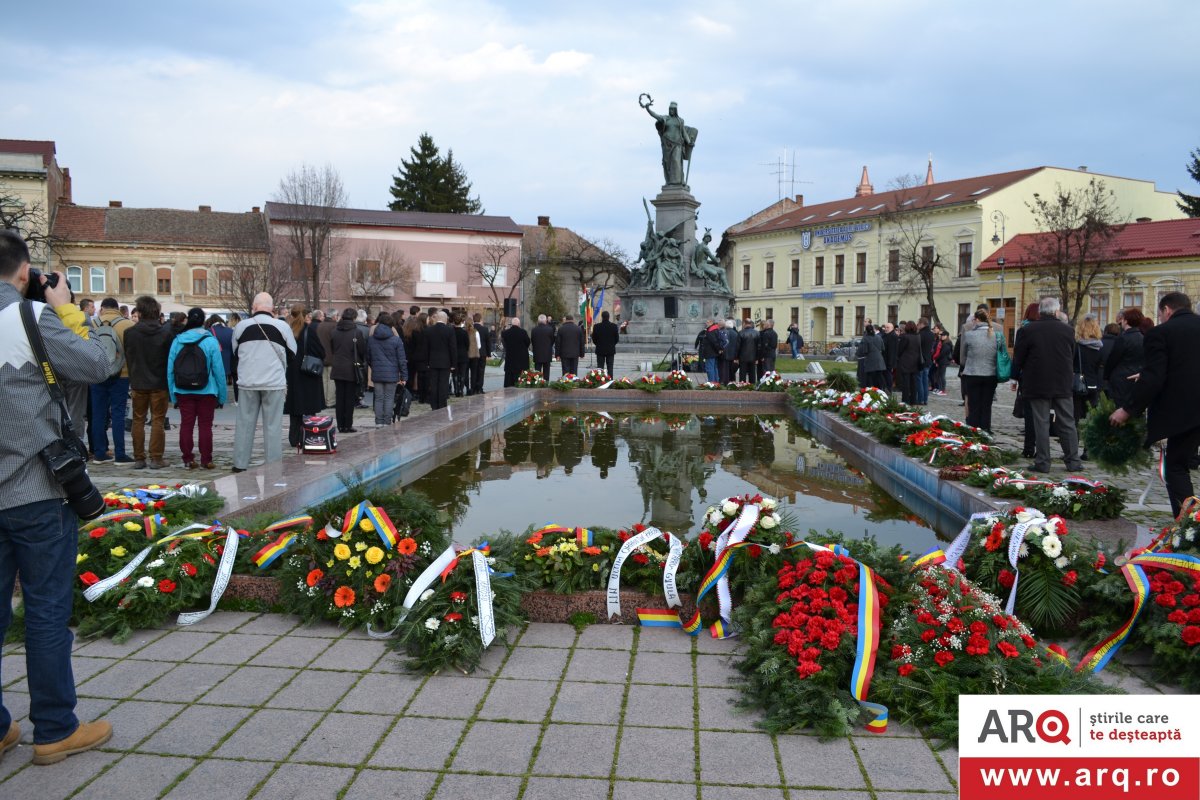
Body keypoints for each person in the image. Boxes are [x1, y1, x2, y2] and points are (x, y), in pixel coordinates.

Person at [0, 231, 115, 765]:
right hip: (36, 490)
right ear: (24, 273)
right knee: (46, 609)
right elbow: (96, 364)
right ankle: (53, 728)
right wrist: (72, 311)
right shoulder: (28, 318)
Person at [1110, 292, 1200, 516]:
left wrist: (1127, 409)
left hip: (1184, 412)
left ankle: (1186, 527)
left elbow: (1155, 377)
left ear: (1167, 310)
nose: (1160, 318)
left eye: (1160, 313)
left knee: (1176, 467)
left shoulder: (1161, 333)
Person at [1012, 296, 1082, 473]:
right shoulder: (1067, 330)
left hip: (1037, 382)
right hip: (1062, 382)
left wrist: (1015, 378)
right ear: (1057, 311)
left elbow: (1019, 357)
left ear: (1040, 311)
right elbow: (1072, 354)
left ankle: (1043, 462)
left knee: (1041, 422)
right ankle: (1073, 460)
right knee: (1067, 422)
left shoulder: (1029, 330)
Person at [231, 293, 296, 471]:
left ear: (254, 307)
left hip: (247, 382)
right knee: (273, 426)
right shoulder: (282, 326)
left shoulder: (241, 326)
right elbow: (292, 353)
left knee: (244, 424)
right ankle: (273, 465)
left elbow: (235, 353)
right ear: (272, 309)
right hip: (274, 383)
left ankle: (240, 464)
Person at [166, 308, 226, 469]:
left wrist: (173, 394)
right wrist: (222, 396)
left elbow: (170, 369)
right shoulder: (210, 340)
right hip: (207, 390)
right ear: (203, 321)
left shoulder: (178, 341)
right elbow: (219, 370)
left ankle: (188, 458)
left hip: (183, 390)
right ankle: (206, 459)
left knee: (186, 425)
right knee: (205, 426)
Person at [123, 295, 173, 470]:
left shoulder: (130, 333)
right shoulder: (166, 333)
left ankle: (139, 458)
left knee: (138, 420)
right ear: (157, 312)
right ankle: (156, 458)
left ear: (140, 312)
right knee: (158, 420)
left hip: (138, 381)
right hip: (159, 382)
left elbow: (128, 357)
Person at [89, 297, 134, 464]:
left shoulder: (92, 325)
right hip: (121, 374)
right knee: (118, 413)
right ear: (117, 308)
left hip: (97, 374)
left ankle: (99, 453)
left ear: (102, 308)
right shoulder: (127, 325)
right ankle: (120, 454)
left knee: (98, 414)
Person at [283, 305, 325, 450]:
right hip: (307, 373)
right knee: (308, 408)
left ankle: (294, 437)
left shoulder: (286, 331)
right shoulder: (309, 331)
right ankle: (308, 436)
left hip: (292, 374)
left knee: (295, 409)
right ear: (305, 316)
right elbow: (320, 351)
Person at [639, 95, 695, 186]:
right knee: (667, 163)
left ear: (676, 110)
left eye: (673, 109)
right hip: (667, 144)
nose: (671, 110)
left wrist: (689, 142)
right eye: (670, 109)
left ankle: (678, 182)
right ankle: (669, 181)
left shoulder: (680, 121)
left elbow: (684, 133)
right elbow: (655, 115)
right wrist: (648, 109)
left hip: (677, 144)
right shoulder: (665, 118)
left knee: (676, 162)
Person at [959, 309, 1000, 432]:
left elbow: (962, 357)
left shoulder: (969, 334)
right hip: (991, 374)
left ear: (976, 319)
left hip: (972, 373)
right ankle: (986, 429)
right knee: (987, 404)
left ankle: (974, 429)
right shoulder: (997, 335)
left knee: (974, 404)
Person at [367, 311, 407, 426]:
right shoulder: (396, 340)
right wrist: (404, 376)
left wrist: (374, 366)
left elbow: (368, 357)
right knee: (389, 398)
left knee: (379, 398)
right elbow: (401, 360)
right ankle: (387, 421)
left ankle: (378, 422)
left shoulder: (371, 339)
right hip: (392, 373)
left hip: (377, 372)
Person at [329, 309, 366, 434]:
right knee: (349, 398)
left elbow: (332, 348)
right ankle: (348, 425)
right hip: (351, 368)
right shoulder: (357, 332)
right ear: (354, 318)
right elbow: (362, 350)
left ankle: (340, 425)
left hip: (338, 367)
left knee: (339, 398)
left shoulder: (334, 331)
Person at [1073, 316, 1104, 457]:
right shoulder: (1100, 347)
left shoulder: (1077, 346)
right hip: (1094, 385)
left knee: (1074, 419)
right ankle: (1088, 450)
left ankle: (1072, 450)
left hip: (1079, 385)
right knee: (1091, 420)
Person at [1103, 307, 1144, 411]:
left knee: (1117, 408)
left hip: (1120, 378)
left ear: (1126, 321)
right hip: (1136, 377)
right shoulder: (1143, 338)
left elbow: (1113, 359)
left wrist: (1106, 376)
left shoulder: (1123, 338)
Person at [425, 310, 457, 410]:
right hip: (445, 362)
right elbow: (453, 348)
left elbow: (426, 348)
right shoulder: (450, 330)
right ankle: (442, 405)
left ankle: (434, 405)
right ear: (445, 319)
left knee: (433, 384)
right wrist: (453, 363)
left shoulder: (429, 330)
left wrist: (427, 362)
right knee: (443, 384)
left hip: (433, 361)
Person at [895, 322, 923, 405]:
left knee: (906, 382)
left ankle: (905, 399)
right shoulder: (918, 336)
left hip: (905, 362)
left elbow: (900, 350)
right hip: (915, 361)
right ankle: (913, 399)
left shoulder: (905, 337)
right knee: (913, 382)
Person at [403, 312, 428, 404]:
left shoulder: (410, 332)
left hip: (411, 356)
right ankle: (421, 395)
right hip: (420, 356)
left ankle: (411, 393)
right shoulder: (422, 331)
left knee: (412, 376)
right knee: (422, 377)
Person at [856, 324, 887, 389]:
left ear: (866, 331)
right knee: (879, 376)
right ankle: (882, 390)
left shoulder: (865, 338)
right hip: (879, 359)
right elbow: (883, 348)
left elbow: (865, 351)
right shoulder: (879, 337)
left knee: (870, 378)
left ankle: (871, 391)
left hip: (870, 360)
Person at [501, 317, 530, 387]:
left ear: (512, 324)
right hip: (521, 358)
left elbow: (504, 343)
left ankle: (508, 386)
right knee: (520, 374)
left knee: (509, 376)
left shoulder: (506, 333)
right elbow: (528, 342)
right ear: (519, 324)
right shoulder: (523, 332)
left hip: (510, 357)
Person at [591, 310, 620, 377]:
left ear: (602, 317)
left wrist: (598, 344)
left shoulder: (596, 326)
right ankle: (610, 381)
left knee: (600, 367)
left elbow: (594, 338)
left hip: (600, 349)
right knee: (610, 367)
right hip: (610, 350)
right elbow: (617, 339)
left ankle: (600, 380)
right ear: (609, 317)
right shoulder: (614, 326)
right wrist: (612, 344)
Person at [469, 313, 491, 395]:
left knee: (473, 371)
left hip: (473, 353)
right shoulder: (485, 329)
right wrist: (489, 354)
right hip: (482, 353)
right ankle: (480, 388)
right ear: (480, 319)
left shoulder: (470, 329)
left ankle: (473, 388)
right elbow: (488, 342)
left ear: (473, 319)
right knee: (481, 371)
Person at [530, 314, 555, 381]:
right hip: (547, 353)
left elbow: (532, 340)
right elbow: (552, 340)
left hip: (537, 353)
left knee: (537, 370)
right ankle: (546, 383)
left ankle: (537, 383)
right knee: (546, 370)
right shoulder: (550, 329)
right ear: (545, 320)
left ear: (538, 321)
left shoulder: (534, 330)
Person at [696, 319, 722, 383]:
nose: (706, 323)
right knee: (715, 368)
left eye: (708, 322)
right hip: (715, 352)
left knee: (710, 368)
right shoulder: (715, 329)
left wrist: (719, 349)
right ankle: (716, 382)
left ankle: (711, 383)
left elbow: (714, 342)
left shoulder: (711, 330)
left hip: (710, 353)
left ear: (711, 322)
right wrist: (719, 349)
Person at [452, 313, 470, 397]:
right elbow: (467, 344)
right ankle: (461, 390)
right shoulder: (464, 332)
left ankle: (456, 390)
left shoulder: (451, 331)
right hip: (463, 354)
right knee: (463, 373)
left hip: (454, 355)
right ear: (461, 322)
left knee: (455, 373)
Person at [737, 318, 760, 383]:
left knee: (742, 373)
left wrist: (736, 357)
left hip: (743, 356)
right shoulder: (757, 333)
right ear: (751, 324)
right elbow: (759, 347)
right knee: (752, 373)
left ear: (744, 324)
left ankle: (742, 386)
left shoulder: (740, 333)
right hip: (753, 356)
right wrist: (757, 358)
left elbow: (738, 346)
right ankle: (752, 386)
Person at [880, 322, 898, 393]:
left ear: (892, 328)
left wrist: (891, 362)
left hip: (889, 360)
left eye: (888, 327)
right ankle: (884, 388)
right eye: (885, 327)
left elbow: (892, 350)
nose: (886, 329)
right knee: (884, 374)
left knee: (888, 375)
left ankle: (888, 389)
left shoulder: (893, 336)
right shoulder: (884, 335)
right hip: (884, 358)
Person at [720, 319, 738, 384]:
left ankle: (725, 381)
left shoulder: (723, 332)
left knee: (725, 369)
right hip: (733, 354)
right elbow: (737, 345)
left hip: (725, 353)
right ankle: (732, 381)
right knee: (732, 369)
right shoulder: (736, 333)